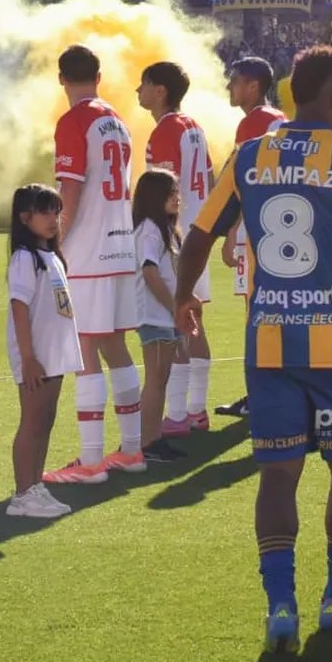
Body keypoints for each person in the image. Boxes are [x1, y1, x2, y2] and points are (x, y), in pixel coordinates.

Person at [174, 45, 332, 652]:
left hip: (269, 347)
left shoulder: (249, 155)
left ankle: (280, 605)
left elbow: (200, 233)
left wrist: (182, 298)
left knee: (278, 476)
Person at [44, 45, 145, 484]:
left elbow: (70, 189)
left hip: (87, 251)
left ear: (61, 78)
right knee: (114, 345)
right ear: (99, 77)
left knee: (84, 348)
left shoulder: (74, 120)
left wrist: (54, 239)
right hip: (121, 246)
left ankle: (90, 461)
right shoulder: (117, 120)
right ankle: (132, 449)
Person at [137, 62, 214, 436]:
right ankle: (195, 410)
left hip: (177, 238)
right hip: (199, 233)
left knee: (177, 320)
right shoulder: (194, 127)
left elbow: (163, 189)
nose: (138, 91)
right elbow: (210, 178)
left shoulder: (166, 130)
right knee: (194, 320)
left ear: (160, 90)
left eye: (144, 84)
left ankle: (180, 413)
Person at [4, 183, 82, 519]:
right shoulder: (25, 258)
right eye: (44, 212)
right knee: (32, 421)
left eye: (56, 212)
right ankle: (23, 494)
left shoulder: (52, 256)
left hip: (54, 354)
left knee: (46, 420)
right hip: (36, 355)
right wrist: (28, 357)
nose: (53, 219)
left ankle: (36, 485)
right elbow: (19, 307)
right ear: (25, 218)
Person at [216, 56, 286, 420]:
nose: (230, 87)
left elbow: (246, 179)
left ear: (253, 86)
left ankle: (259, 396)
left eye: (235, 81)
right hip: (282, 227)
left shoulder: (254, 122)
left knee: (256, 314)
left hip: (258, 229)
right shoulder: (280, 119)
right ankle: (280, 392)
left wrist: (232, 231)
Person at [132, 168, 188, 463]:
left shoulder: (166, 229)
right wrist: (173, 307)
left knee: (161, 378)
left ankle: (153, 437)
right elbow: (150, 272)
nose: (177, 198)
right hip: (155, 315)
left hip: (165, 315)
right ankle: (146, 441)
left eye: (177, 192)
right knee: (155, 378)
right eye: (170, 193)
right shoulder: (149, 230)